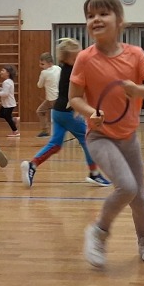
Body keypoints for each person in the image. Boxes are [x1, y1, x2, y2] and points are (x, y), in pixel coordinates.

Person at [70, 0, 144, 268]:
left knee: (139, 196)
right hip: (99, 136)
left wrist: (137, 90)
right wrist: (90, 112)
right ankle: (99, 231)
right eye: (90, 15)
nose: (96, 19)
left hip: (128, 137)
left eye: (103, 13)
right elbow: (73, 98)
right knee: (127, 187)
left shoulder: (135, 55)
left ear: (119, 20)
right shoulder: (84, 58)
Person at [20, 38, 112, 189]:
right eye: (77, 56)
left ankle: (32, 165)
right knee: (88, 140)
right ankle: (94, 173)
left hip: (57, 111)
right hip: (68, 113)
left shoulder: (64, 68)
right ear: (69, 59)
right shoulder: (73, 71)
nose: (80, 58)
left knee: (55, 144)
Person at [34, 52, 60, 137]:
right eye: (40, 64)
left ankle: (48, 131)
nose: (40, 66)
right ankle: (45, 130)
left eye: (42, 64)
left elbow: (39, 85)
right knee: (40, 111)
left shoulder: (44, 73)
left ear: (50, 63)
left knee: (59, 116)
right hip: (57, 97)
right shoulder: (58, 68)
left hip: (52, 98)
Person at [0, 65, 19, 137]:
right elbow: (6, 91)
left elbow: (5, 94)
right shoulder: (9, 81)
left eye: (3, 70)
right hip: (7, 104)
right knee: (0, 114)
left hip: (8, 104)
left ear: (8, 73)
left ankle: (15, 131)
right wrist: (0, 89)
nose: (1, 72)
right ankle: (14, 119)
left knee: (7, 117)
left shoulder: (6, 82)